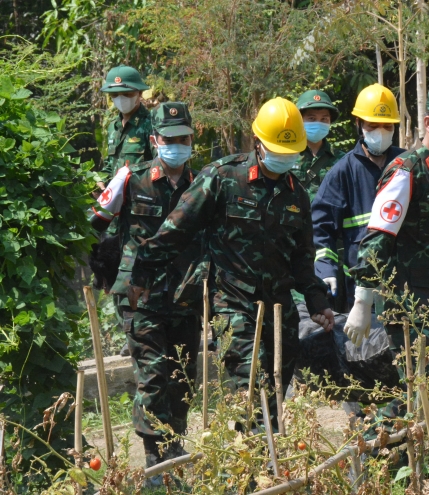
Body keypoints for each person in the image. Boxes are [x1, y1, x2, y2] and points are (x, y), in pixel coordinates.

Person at [127, 97, 335, 429]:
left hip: (280, 306)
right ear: (258, 144)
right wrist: (142, 272)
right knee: (247, 385)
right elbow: (175, 230)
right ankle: (246, 470)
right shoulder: (223, 177)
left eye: (291, 153)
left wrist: (317, 300)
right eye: (279, 152)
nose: (285, 159)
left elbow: (302, 257)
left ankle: (267, 466)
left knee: (276, 390)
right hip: (233, 302)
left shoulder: (297, 194)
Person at [345, 85, 429, 414]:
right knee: (418, 395)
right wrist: (363, 300)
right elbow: (378, 236)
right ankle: (379, 453)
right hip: (412, 308)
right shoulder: (406, 171)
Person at [89, 102, 201, 477]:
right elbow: (97, 222)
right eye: (169, 139)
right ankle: (155, 451)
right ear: (155, 141)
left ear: (191, 139)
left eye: (183, 138)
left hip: (183, 294)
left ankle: (174, 439)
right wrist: (103, 270)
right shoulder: (129, 178)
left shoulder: (201, 185)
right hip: (140, 294)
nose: (176, 145)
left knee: (183, 372)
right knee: (154, 371)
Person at [312, 84, 405, 312]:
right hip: (359, 285)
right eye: (373, 125)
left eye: (387, 126)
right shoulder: (342, 172)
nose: (380, 132)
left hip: (405, 283)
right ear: (359, 125)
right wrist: (326, 269)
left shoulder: (407, 165)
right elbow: (320, 228)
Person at [98, 65, 154, 189]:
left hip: (142, 198)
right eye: (115, 94)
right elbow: (110, 164)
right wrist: (101, 180)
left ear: (139, 93)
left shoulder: (151, 124)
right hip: (116, 199)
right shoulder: (113, 127)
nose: (121, 98)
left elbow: (160, 165)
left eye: (127, 94)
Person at [294, 90, 346, 200]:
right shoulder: (287, 155)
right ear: (299, 120)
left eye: (324, 119)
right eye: (311, 118)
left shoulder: (342, 159)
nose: (318, 123)